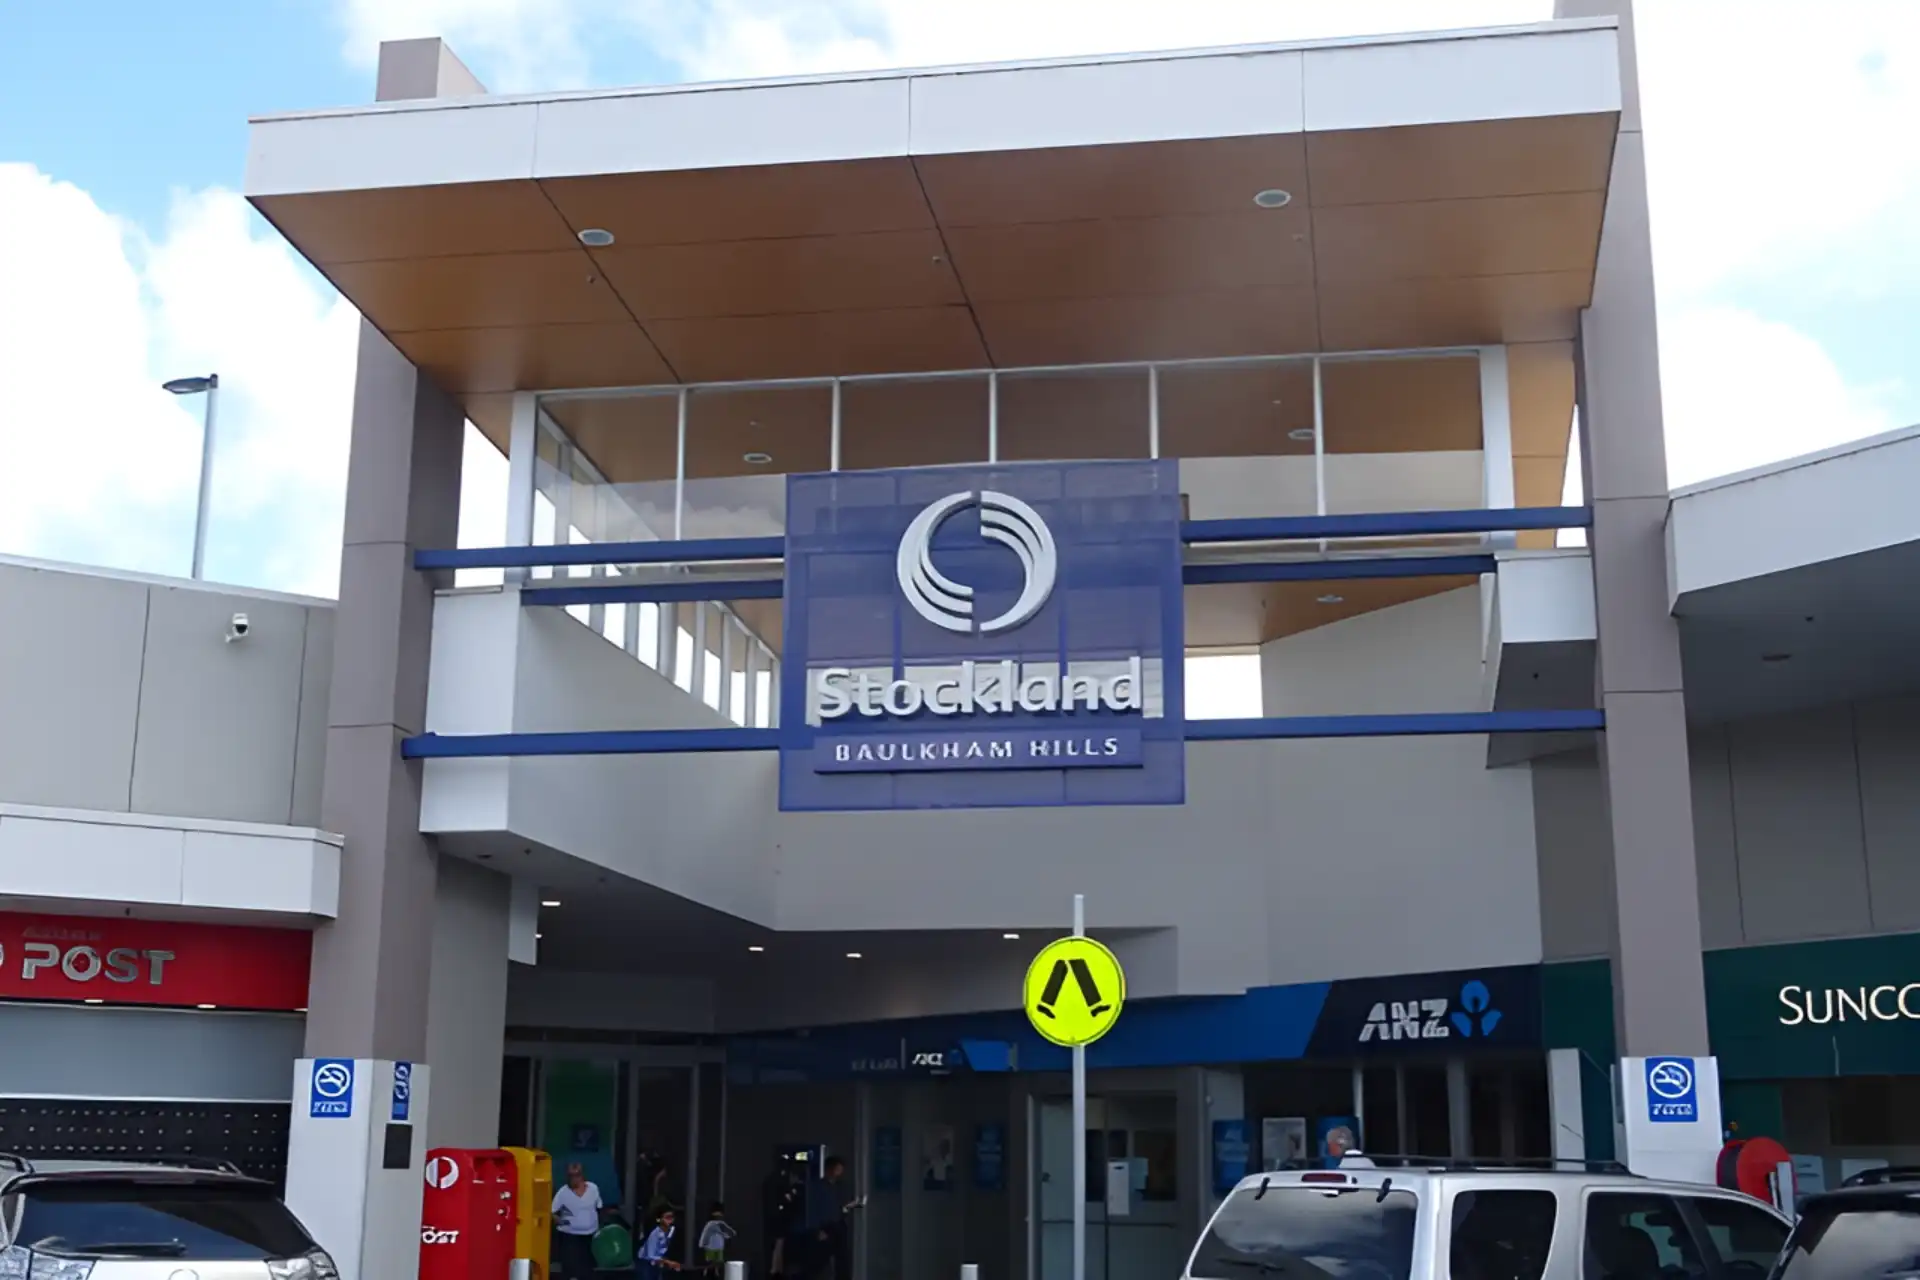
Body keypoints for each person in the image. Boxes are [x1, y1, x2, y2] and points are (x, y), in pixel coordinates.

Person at [552, 1162, 606, 1280]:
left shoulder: (593, 1188)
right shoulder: (563, 1192)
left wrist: (600, 1228)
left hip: (590, 1235)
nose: (572, 1179)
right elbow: (552, 1212)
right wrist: (559, 1220)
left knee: (587, 1270)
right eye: (570, 1176)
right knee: (571, 1270)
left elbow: (599, 1208)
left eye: (575, 1175)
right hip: (570, 1236)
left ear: (582, 1176)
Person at [638, 1206, 683, 1280]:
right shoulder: (655, 1234)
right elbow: (651, 1255)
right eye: (667, 1217)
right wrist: (669, 1263)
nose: (670, 1220)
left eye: (672, 1217)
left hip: (658, 1263)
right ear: (659, 1219)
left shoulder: (671, 1232)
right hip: (646, 1263)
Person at [697, 1202, 736, 1274]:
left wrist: (731, 1233)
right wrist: (702, 1243)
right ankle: (707, 1272)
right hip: (710, 1246)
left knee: (718, 1261)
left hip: (719, 1246)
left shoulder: (721, 1223)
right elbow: (706, 1234)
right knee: (709, 1261)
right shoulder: (710, 1224)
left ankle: (716, 1272)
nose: (718, 1215)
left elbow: (727, 1230)